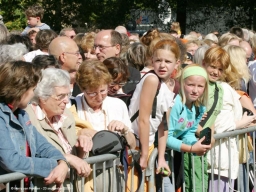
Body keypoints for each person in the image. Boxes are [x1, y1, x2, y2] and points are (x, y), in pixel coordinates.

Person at [0, 61, 69, 190]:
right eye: (33, 89)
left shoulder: (21, 114)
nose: (34, 94)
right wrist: (53, 165)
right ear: (20, 89)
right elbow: (11, 161)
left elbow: (42, 146)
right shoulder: (1, 117)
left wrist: (62, 162)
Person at [25, 68, 92, 191]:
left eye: (68, 95)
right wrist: (66, 158)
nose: (66, 101)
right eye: (61, 96)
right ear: (42, 97)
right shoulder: (28, 117)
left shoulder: (66, 115)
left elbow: (76, 158)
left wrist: (81, 146)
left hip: (71, 186)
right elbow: (33, 155)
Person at [75, 59, 136, 191]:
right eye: (92, 93)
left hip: (113, 173)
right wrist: (80, 133)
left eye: (103, 90)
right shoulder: (72, 106)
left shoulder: (117, 105)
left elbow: (132, 144)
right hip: (84, 174)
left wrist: (125, 130)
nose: (99, 97)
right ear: (82, 88)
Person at [127, 39, 180, 191]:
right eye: (158, 60)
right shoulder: (151, 79)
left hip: (149, 144)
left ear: (177, 63)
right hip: (135, 143)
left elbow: (164, 123)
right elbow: (143, 119)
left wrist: (161, 157)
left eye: (168, 61)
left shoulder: (174, 85)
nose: (162, 65)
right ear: (152, 61)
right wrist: (143, 154)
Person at [203, 47, 256, 192]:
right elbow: (215, 126)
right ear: (204, 64)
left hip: (227, 156)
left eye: (220, 69)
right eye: (213, 67)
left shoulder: (223, 87)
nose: (216, 72)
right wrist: (241, 123)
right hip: (215, 158)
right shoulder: (203, 88)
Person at [166, 65, 211, 192]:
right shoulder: (176, 104)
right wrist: (191, 148)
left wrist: (198, 145)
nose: (195, 90)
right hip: (161, 155)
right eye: (191, 85)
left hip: (175, 154)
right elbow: (166, 138)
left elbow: (189, 133)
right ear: (182, 83)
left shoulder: (199, 108)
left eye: (200, 86)